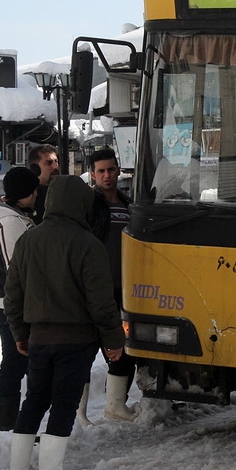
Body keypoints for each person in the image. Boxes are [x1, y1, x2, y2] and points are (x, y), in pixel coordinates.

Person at [4, 175, 125, 470]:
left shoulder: (29, 240)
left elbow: (12, 292)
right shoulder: (88, 244)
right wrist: (113, 341)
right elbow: (101, 302)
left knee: (34, 401)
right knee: (63, 402)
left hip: (39, 337)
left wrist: (19, 331)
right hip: (76, 339)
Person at [0, 167, 39, 433]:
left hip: (9, 302)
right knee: (14, 364)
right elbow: (16, 270)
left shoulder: (17, 217)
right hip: (10, 305)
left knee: (18, 363)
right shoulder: (11, 223)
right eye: (33, 190)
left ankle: (13, 424)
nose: (37, 194)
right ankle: (7, 426)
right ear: (25, 194)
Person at [88, 148, 138, 422]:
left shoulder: (128, 204)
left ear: (119, 170)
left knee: (123, 348)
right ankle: (82, 414)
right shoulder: (90, 206)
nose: (107, 175)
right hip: (97, 290)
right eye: (101, 171)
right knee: (88, 350)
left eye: (110, 169)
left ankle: (115, 405)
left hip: (125, 290)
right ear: (93, 174)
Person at [28, 144, 61, 223]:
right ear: (35, 168)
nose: (55, 167)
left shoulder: (62, 191)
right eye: (49, 163)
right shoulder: (30, 196)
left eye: (56, 162)